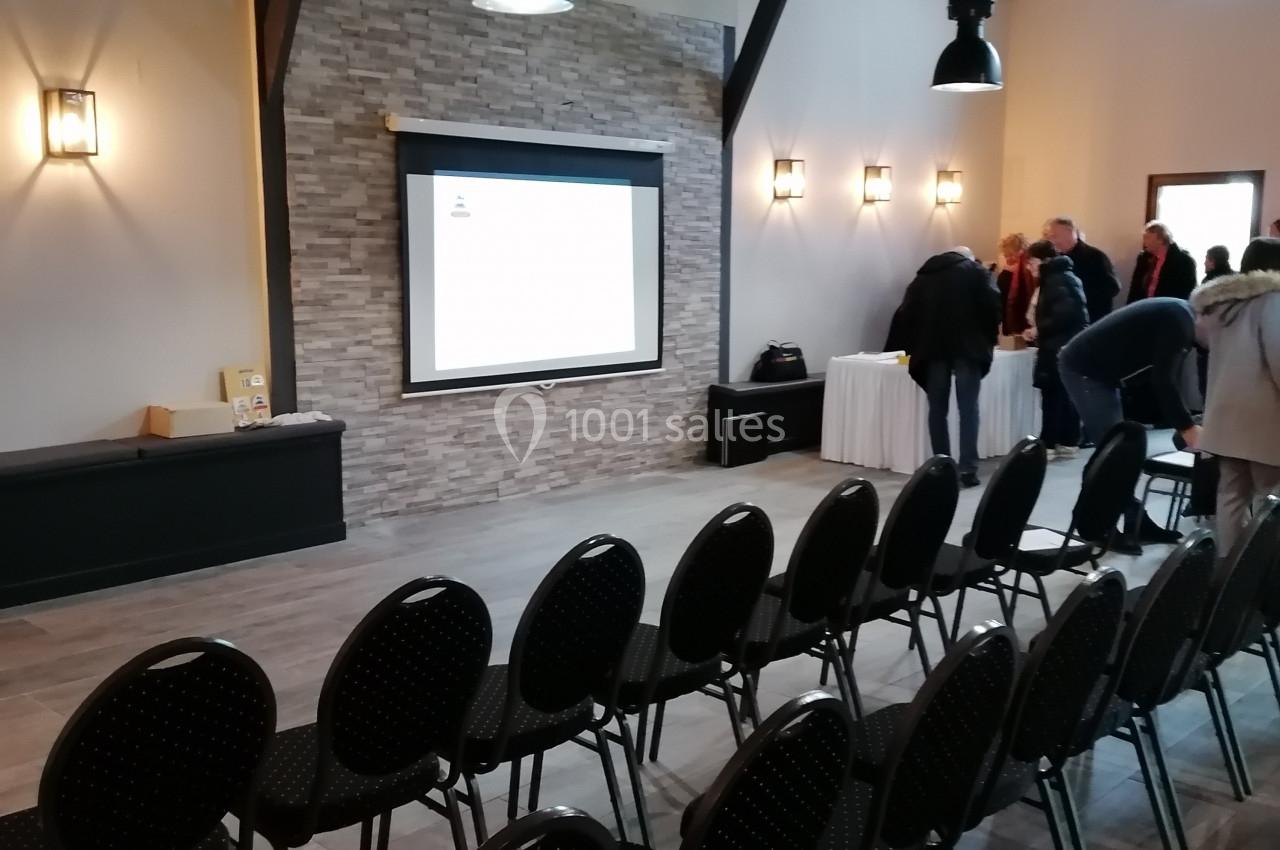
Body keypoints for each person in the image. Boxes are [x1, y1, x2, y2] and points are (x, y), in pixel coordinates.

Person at [1058, 298, 1201, 553]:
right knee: (1112, 454)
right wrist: (1186, 427)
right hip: (1084, 368)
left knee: (1121, 453)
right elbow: (1164, 379)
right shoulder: (1181, 319)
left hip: (1101, 371)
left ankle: (1137, 520)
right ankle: (1099, 528)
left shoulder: (1184, 315)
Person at [1192, 237, 1280, 553]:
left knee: (1230, 497)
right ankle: (1261, 576)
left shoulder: (1222, 305)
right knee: (1269, 498)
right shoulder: (1272, 300)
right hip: (1264, 419)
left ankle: (1228, 573)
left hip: (1224, 417)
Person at [899, 246, 1001, 488]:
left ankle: (941, 465)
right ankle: (968, 468)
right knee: (968, 409)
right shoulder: (977, 272)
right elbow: (993, 308)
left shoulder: (924, 276)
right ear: (966, 257)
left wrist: (917, 342)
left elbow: (906, 313)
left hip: (933, 350)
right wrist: (985, 338)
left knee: (937, 409)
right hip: (969, 348)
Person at [1022, 240, 1089, 459]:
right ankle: (1067, 441)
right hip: (1065, 345)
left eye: (1031, 262)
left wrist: (1039, 329)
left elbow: (1065, 315)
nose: (1029, 267)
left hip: (1057, 346)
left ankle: (1049, 443)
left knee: (1052, 395)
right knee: (1063, 394)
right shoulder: (1065, 277)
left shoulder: (1055, 281)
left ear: (1043, 261)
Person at [1046, 216, 1122, 323]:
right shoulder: (1057, 259)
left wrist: (1081, 298)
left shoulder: (1095, 256)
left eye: (1055, 236)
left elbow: (1113, 287)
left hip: (1092, 320)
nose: (1052, 241)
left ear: (1069, 233)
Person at [1128, 221, 1197, 303]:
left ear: (1160, 239)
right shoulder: (1143, 257)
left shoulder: (1184, 261)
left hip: (1167, 308)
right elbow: (1135, 287)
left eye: (1148, 238)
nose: (1144, 242)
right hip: (1144, 306)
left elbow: (1185, 292)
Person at [996, 233, 1035, 335]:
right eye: (1006, 255)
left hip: (1025, 323)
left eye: (1012, 254)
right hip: (1010, 322)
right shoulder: (1005, 274)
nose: (1009, 259)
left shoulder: (1029, 272)